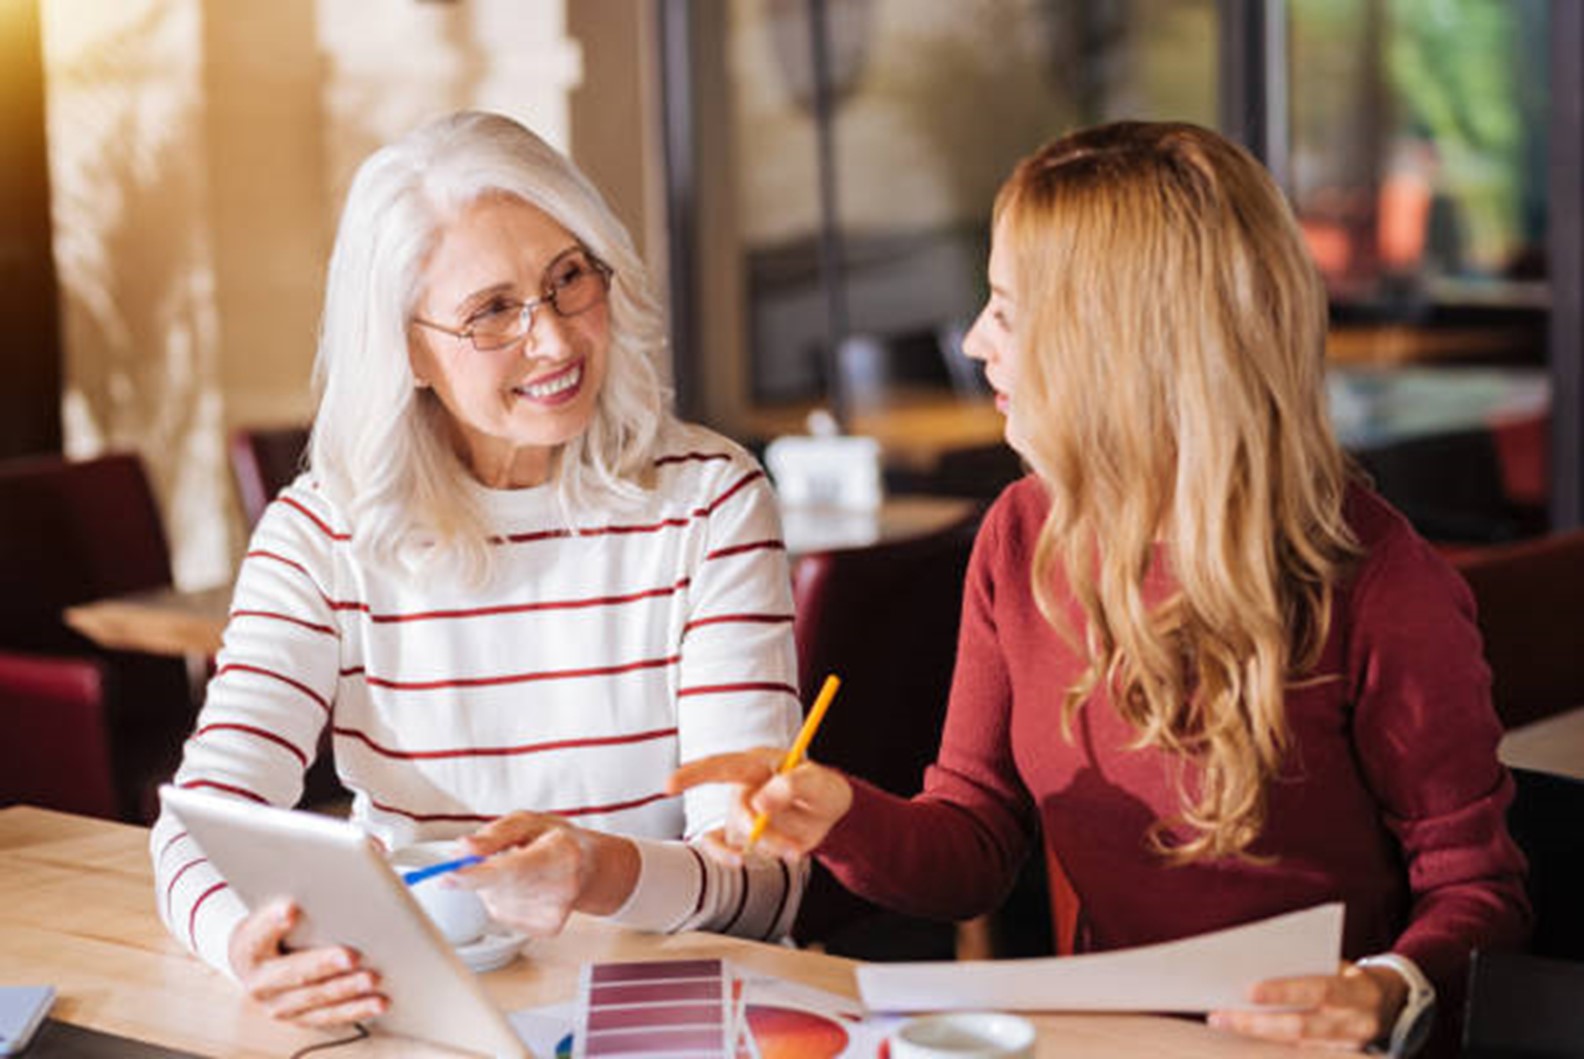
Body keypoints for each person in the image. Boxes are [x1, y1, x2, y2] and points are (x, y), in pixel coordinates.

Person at [672, 121, 1529, 1057]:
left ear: (1115, 342)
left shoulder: (1377, 579)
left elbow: (1478, 890)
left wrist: (1382, 991)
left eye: (1004, 308)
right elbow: (971, 849)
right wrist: (841, 812)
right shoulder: (1018, 535)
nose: (971, 340)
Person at [151, 110, 804, 1027]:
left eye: (568, 279)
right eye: (492, 311)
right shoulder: (318, 537)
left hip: (665, 1015)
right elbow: (200, 819)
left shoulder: (709, 502)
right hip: (416, 1015)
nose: (554, 340)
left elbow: (768, 883)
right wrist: (243, 941)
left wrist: (600, 872)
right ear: (409, 348)